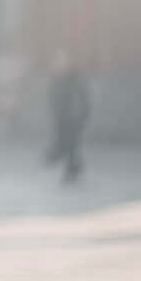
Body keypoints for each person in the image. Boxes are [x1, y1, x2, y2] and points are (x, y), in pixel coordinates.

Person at [47, 55, 91, 185]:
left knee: (71, 144)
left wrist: (81, 115)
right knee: (68, 144)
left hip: (73, 117)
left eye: (61, 65)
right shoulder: (57, 80)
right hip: (62, 117)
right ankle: (73, 166)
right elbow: (53, 97)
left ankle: (72, 167)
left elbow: (83, 99)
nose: (58, 67)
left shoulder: (74, 80)